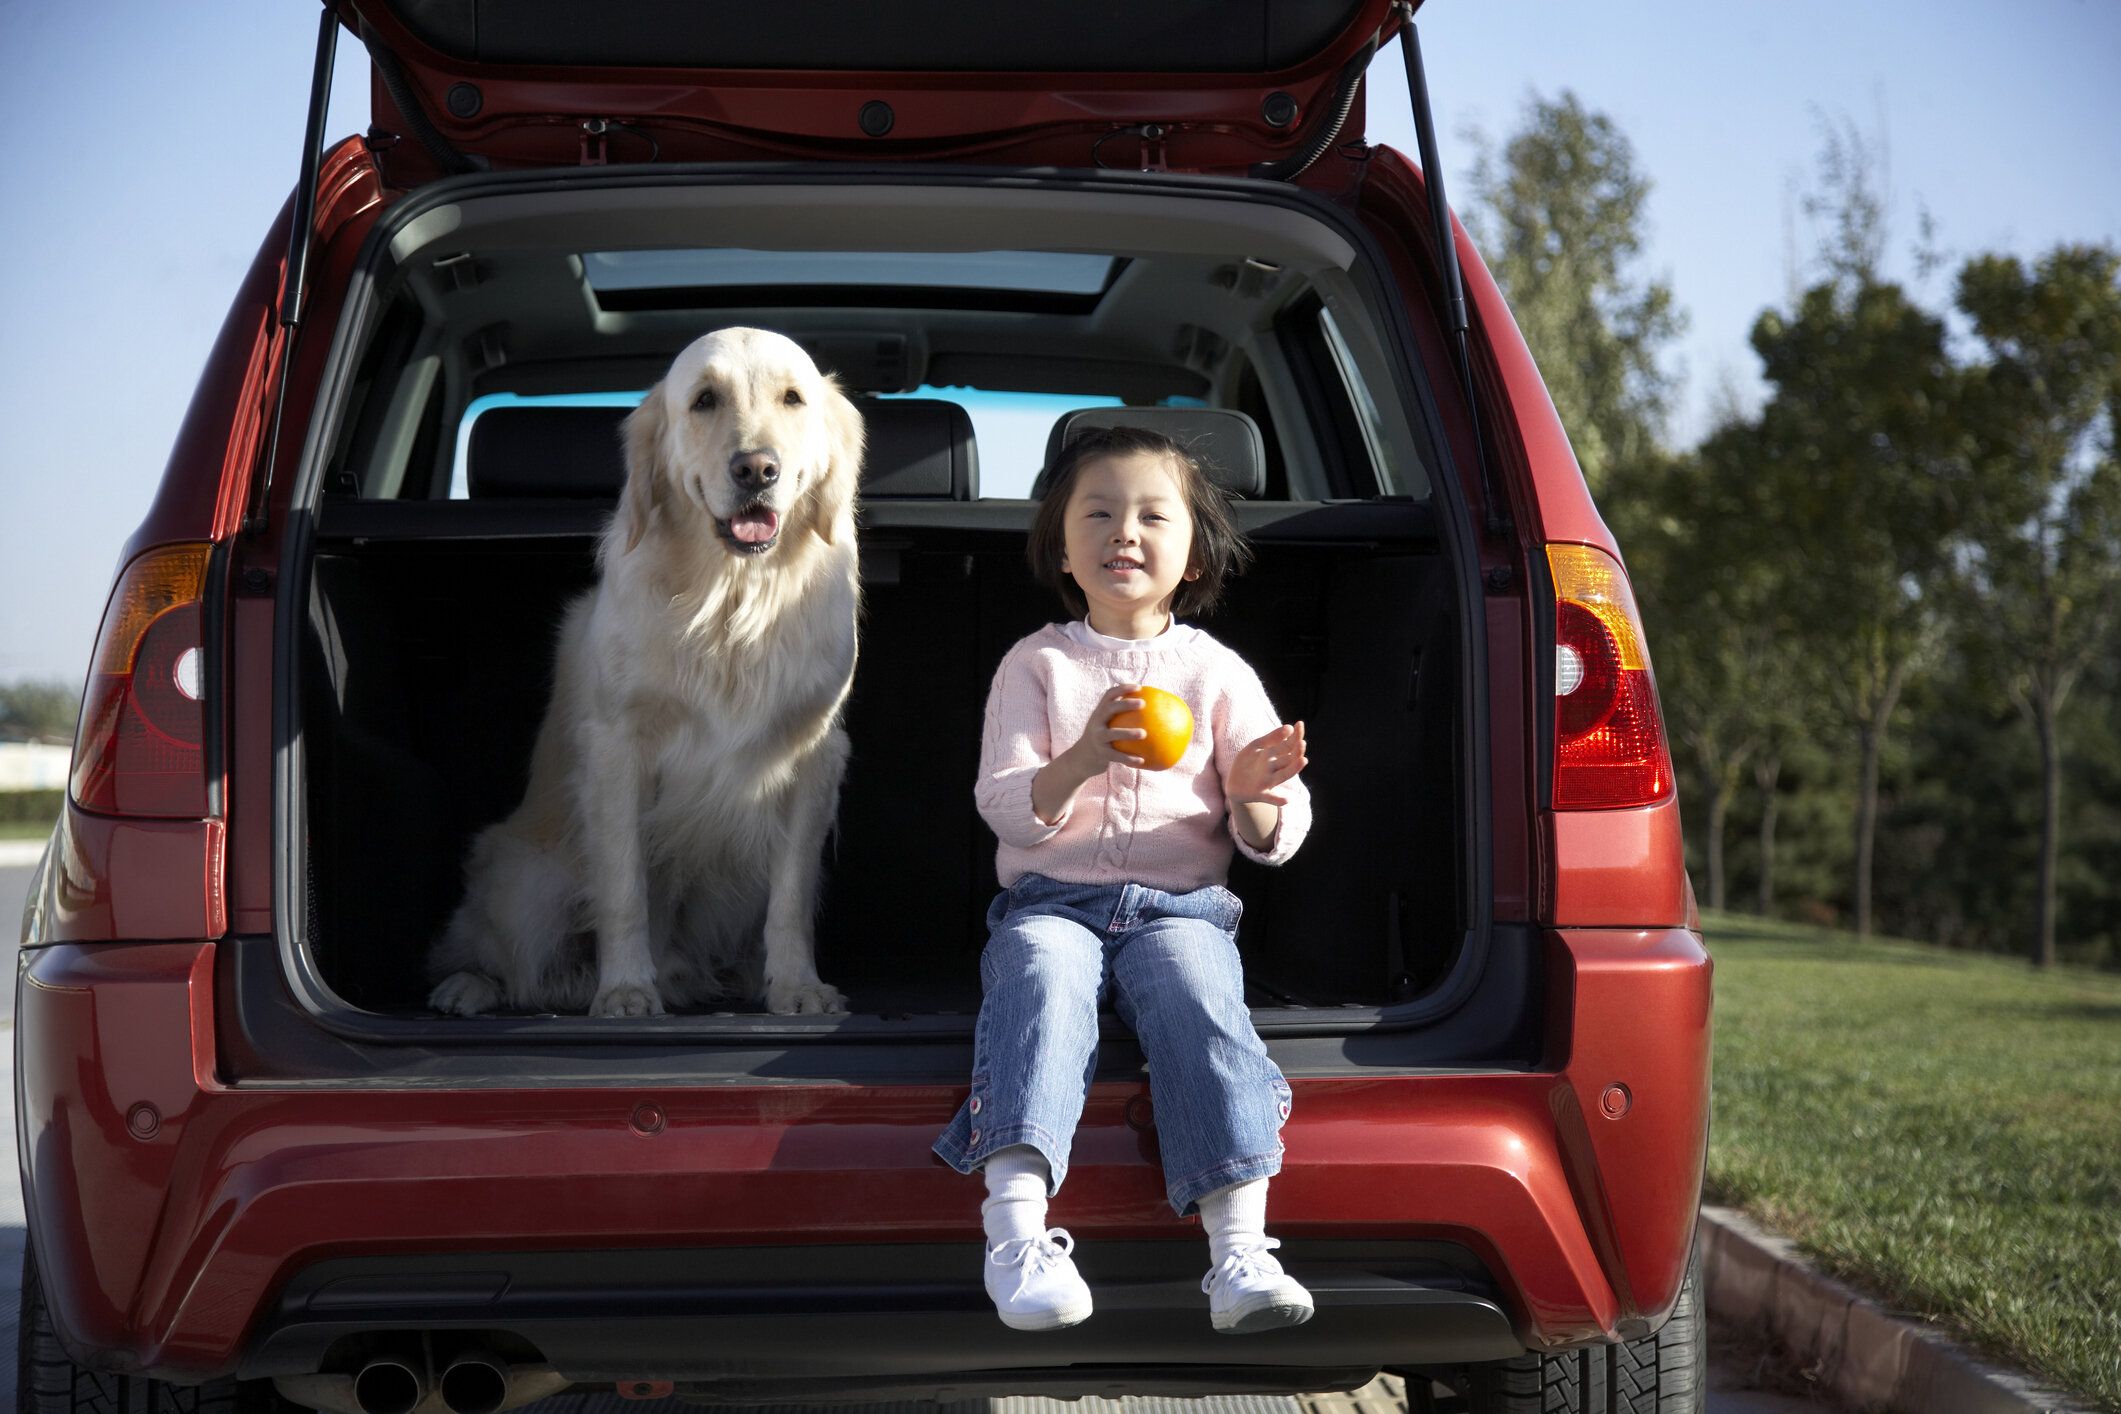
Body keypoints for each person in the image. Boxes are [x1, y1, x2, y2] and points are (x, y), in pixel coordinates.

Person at [933, 424, 1314, 1335]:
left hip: (1178, 909)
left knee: (1199, 990)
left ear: (1193, 554)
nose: (1123, 533)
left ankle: (1238, 1251)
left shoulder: (1216, 672)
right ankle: (1015, 1236)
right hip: (1051, 901)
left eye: (1152, 515)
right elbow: (1006, 804)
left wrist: (1255, 794)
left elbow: (1276, 836)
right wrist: (1082, 756)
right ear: (1061, 547)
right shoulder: (1039, 664)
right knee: (1040, 981)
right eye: (1096, 513)